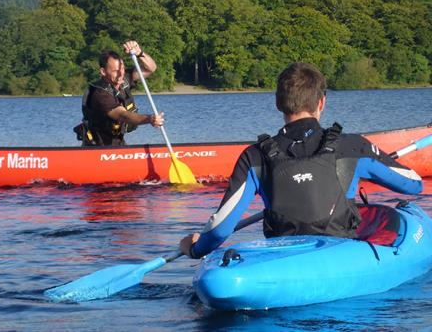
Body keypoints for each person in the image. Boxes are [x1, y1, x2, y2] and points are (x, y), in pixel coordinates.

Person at [180, 62, 423, 259]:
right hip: (341, 253)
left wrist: (196, 248)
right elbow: (413, 184)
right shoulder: (353, 145)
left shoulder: (255, 155)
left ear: (278, 104)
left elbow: (222, 227)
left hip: (284, 257)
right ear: (321, 102)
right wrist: (371, 160)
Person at [76, 41, 164, 146]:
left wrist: (139, 53)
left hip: (118, 144)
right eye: (115, 71)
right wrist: (149, 119)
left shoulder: (123, 79)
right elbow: (123, 115)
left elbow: (150, 68)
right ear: (103, 72)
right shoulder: (99, 95)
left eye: (122, 69)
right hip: (96, 147)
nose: (121, 74)